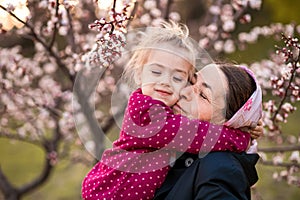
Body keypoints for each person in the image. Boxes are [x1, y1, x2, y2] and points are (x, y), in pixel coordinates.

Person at [81, 22, 252, 200]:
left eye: (177, 77)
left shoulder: (169, 109)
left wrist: (245, 124)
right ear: (139, 74)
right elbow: (195, 134)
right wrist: (238, 137)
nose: (165, 82)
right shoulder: (145, 111)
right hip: (113, 188)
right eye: (156, 72)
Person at [154, 63, 262, 200]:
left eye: (203, 95)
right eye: (191, 82)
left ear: (229, 123)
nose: (184, 92)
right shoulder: (172, 150)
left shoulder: (219, 168)